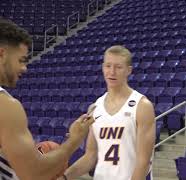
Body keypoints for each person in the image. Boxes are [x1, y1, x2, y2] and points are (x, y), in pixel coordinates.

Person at [0, 18, 95, 180]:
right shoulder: (6, 106)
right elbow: (34, 174)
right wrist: (74, 140)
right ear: (2, 53)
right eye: (21, 60)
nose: (24, 68)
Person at [60, 45, 156, 180]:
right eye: (108, 66)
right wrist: (64, 177)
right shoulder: (95, 107)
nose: (112, 72)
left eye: (118, 67)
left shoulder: (142, 106)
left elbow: (143, 161)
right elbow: (90, 156)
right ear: (102, 67)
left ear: (129, 70)